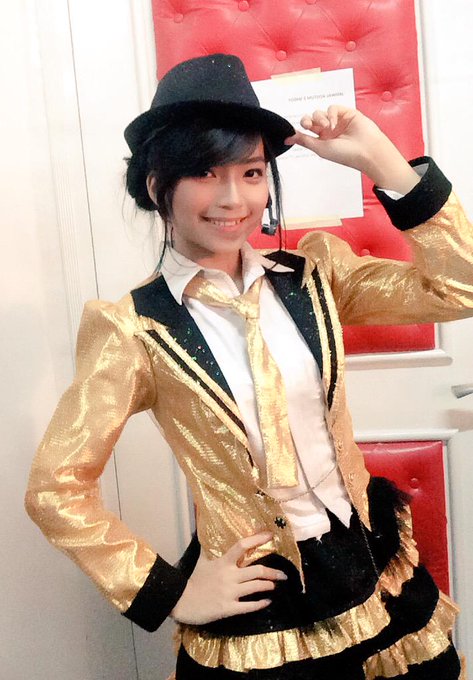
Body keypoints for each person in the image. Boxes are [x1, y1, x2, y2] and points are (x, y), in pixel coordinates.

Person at [25, 54, 472, 679]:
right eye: (205, 172)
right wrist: (168, 592)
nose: (233, 198)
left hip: (372, 566)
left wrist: (386, 164)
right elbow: (56, 486)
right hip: (260, 602)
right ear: (157, 186)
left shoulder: (314, 275)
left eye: (252, 172)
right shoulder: (133, 328)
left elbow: (459, 287)